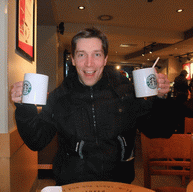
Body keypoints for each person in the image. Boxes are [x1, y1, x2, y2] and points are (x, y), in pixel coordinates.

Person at [11, 28, 174, 185]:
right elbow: (36, 141)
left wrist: (161, 98)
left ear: (105, 59)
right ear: (73, 60)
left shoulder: (126, 91)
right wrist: (24, 106)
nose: (89, 63)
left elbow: (160, 130)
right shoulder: (60, 97)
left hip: (119, 184)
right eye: (81, 55)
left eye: (96, 54)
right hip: (73, 185)